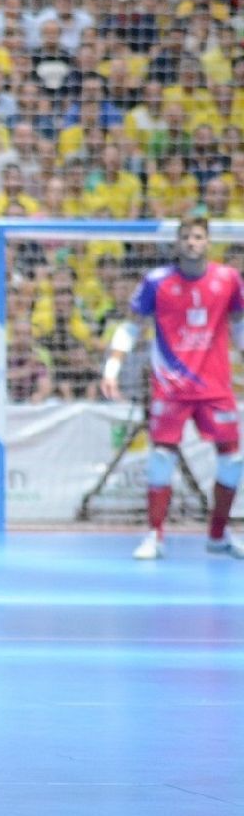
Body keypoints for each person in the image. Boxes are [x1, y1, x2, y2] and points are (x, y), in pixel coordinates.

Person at [102, 214, 244, 560]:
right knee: (160, 458)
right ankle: (155, 535)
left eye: (198, 236)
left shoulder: (228, 280)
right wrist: (112, 367)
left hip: (215, 387)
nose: (192, 242)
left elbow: (240, 326)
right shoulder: (156, 282)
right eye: (186, 237)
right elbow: (132, 326)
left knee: (233, 461)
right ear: (177, 243)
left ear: (207, 242)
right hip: (171, 388)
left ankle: (217, 535)